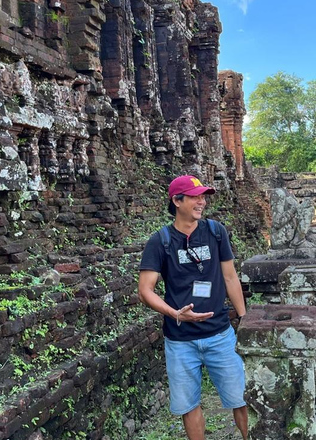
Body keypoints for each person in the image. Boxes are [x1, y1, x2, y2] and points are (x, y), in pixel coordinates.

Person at [137, 175, 248, 440]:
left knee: (241, 397)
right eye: (195, 196)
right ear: (177, 201)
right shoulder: (161, 241)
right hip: (180, 341)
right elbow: (145, 290)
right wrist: (175, 313)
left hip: (220, 334)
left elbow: (230, 277)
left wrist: (244, 318)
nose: (202, 201)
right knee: (189, 405)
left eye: (204, 196)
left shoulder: (215, 232)